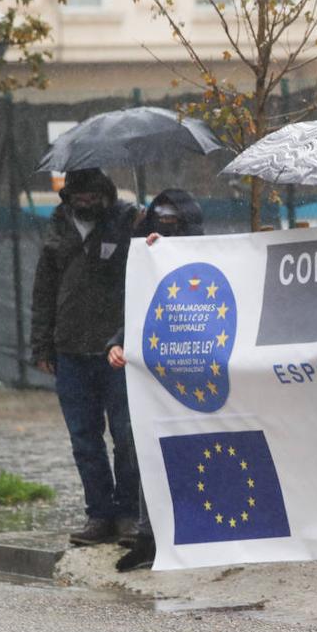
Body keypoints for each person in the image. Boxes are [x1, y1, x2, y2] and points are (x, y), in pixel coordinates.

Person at [30, 168, 140, 546]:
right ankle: (100, 515)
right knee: (84, 440)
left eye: (93, 195)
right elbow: (43, 290)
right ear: (68, 197)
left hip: (117, 352)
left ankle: (128, 512)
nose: (85, 202)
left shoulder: (128, 221)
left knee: (126, 436)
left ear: (106, 195)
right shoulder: (58, 228)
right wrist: (42, 345)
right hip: (70, 351)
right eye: (78, 195)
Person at [106, 188, 205, 571]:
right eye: (159, 218)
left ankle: (190, 531)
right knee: (144, 444)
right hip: (154, 371)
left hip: (197, 369)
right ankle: (148, 536)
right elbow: (139, 311)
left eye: (172, 220)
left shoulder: (211, 255)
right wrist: (117, 343)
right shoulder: (149, 256)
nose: (164, 225)